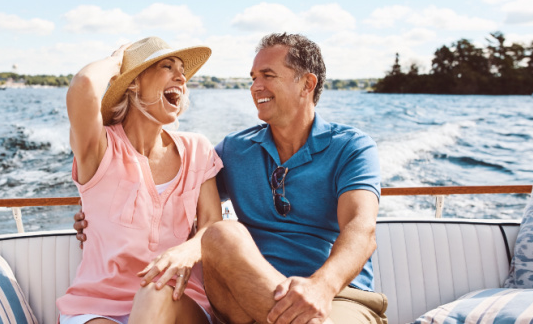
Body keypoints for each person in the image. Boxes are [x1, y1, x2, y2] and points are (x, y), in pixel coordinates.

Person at [75, 33, 386, 324]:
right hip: (244, 297)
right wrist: (99, 212)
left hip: (335, 296)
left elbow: (361, 229)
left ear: (307, 83)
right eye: (253, 78)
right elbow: (175, 197)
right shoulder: (235, 150)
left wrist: (321, 286)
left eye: (268, 75)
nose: (255, 87)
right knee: (223, 233)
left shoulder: (352, 147)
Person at [58, 36, 223, 324]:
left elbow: (212, 224)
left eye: (182, 70)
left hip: (177, 300)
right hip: (98, 305)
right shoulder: (100, 148)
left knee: (154, 293)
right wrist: (116, 62)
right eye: (167, 66)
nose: (181, 77)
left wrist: (188, 249)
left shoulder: (198, 149)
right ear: (134, 83)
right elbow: (84, 86)